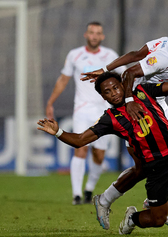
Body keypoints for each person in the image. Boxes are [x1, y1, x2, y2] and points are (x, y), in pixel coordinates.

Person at [37, 71, 168, 237]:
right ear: (103, 97)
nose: (114, 93)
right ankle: (132, 218)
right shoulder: (110, 119)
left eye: (116, 87)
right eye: (107, 92)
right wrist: (58, 132)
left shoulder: (142, 91)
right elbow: (80, 140)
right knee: (156, 220)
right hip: (156, 168)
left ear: (122, 85)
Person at [79, 16, 168, 222]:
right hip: (140, 104)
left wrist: (107, 68)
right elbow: (132, 70)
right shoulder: (165, 54)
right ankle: (105, 200)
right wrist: (129, 100)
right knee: (142, 168)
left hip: (157, 102)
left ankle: (152, 201)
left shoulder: (164, 41)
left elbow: (136, 54)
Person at [45, 21, 126, 205]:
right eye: (92, 32)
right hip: (82, 109)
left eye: (98, 33)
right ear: (86, 35)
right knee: (80, 149)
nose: (95, 36)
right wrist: (50, 102)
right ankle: (76, 195)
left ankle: (89, 189)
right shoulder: (75, 55)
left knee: (99, 154)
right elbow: (63, 80)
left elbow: (125, 76)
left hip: (104, 111)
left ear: (102, 36)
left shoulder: (110, 55)